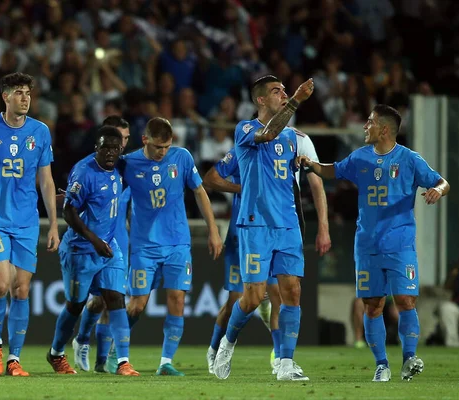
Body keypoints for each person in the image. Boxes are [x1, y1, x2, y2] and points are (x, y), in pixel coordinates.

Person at [296, 104, 450, 382]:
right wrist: (312, 165)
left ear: (385, 129)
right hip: (367, 244)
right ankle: (382, 364)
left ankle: (409, 358)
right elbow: (334, 171)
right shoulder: (360, 157)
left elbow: (442, 181)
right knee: (372, 305)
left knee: (405, 299)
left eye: (370, 122)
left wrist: (437, 191)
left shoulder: (409, 159)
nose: (365, 127)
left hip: (400, 243)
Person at [204, 126, 332, 375]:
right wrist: (243, 190)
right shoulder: (247, 140)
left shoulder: (298, 140)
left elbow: (316, 183)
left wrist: (323, 227)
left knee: (284, 294)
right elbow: (210, 178)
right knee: (241, 299)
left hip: (284, 224)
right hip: (248, 229)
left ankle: (282, 360)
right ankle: (219, 347)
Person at [212, 75, 315, 381]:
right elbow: (268, 134)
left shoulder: (292, 138)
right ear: (260, 100)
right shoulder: (245, 129)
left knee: (292, 293)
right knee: (254, 297)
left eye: (285, 91)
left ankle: (285, 362)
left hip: (287, 224)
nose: (283, 94)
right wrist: (297, 99)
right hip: (255, 225)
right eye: (277, 91)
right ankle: (227, 343)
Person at [108, 117, 223, 376]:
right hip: (144, 245)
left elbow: (200, 192)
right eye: (159, 146)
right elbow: (110, 193)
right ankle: (116, 351)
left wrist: (213, 230)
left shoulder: (181, 157)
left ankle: (165, 362)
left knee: (177, 300)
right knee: (137, 304)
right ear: (145, 140)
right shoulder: (128, 163)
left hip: (177, 243)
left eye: (167, 146)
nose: (163, 152)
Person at [0, 72, 60, 377]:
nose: (25, 98)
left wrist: (54, 224)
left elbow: (46, 181)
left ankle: (14, 359)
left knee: (21, 289)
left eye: (28, 92)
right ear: (5, 96)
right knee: (1, 285)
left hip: (27, 222)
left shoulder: (40, 132)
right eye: (18, 92)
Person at [46, 126, 139, 376]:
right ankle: (55, 354)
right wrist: (94, 240)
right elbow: (69, 212)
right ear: (96, 148)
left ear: (121, 150)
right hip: (80, 249)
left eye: (114, 148)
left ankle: (122, 362)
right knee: (75, 306)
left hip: (109, 246)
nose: (109, 153)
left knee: (116, 299)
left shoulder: (121, 166)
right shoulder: (84, 172)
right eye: (104, 148)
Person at [71, 116, 132, 373]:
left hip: (120, 239)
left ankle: (104, 362)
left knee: (114, 299)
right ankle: (82, 340)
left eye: (126, 140)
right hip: (95, 240)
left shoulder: (126, 166)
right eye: (117, 139)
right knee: (97, 302)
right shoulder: (89, 168)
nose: (121, 145)